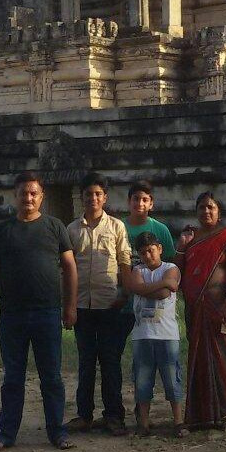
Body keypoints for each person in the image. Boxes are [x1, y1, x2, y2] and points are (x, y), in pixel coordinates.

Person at [0, 171, 78, 452]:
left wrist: (70, 306)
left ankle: (57, 432)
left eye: (34, 193)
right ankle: (6, 433)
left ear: (42, 197)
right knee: (13, 377)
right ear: (16, 195)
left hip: (48, 312)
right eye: (24, 193)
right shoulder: (3, 231)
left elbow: (70, 269)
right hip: (12, 315)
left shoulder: (55, 227)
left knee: (52, 377)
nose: (28, 198)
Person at [66, 172, 132, 436]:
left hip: (110, 305)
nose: (92, 198)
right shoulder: (71, 230)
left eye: (97, 194)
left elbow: (125, 261)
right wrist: (68, 304)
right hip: (81, 305)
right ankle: (84, 415)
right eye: (88, 194)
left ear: (104, 197)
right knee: (85, 362)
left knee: (110, 361)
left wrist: (125, 294)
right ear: (81, 198)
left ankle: (114, 416)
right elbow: (65, 269)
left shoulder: (117, 227)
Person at [175, 191, 226, 430]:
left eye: (211, 207)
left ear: (219, 212)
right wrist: (182, 246)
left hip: (219, 308)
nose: (206, 211)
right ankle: (200, 415)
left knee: (223, 358)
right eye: (202, 207)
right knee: (198, 359)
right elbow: (178, 271)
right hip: (195, 309)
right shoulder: (191, 239)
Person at [124, 231, 187, 437]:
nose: (147, 256)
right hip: (142, 334)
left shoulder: (171, 267)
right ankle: (143, 423)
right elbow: (138, 287)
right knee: (142, 379)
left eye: (151, 250)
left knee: (171, 377)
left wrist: (144, 288)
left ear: (159, 249)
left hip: (167, 334)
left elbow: (166, 292)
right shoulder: (138, 269)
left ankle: (178, 421)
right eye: (142, 253)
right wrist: (160, 285)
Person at [116, 180, 177, 366]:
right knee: (114, 353)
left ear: (151, 203)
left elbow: (169, 265)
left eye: (145, 200)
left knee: (154, 357)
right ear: (129, 201)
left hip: (153, 305)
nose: (140, 204)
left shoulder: (160, 230)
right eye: (136, 199)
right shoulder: (118, 227)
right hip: (121, 301)